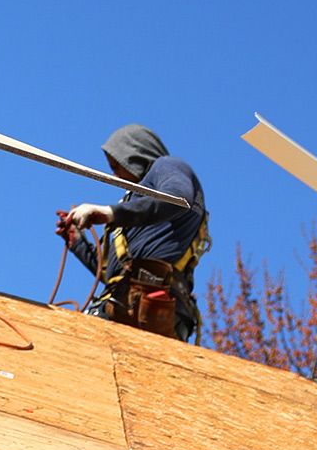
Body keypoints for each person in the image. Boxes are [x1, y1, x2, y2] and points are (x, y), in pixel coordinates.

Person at [57, 124, 209, 341]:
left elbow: (178, 198)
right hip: (126, 301)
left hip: (152, 304)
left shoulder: (167, 166)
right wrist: (76, 241)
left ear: (134, 157)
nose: (115, 175)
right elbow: (115, 272)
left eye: (116, 166)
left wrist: (110, 213)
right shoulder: (137, 207)